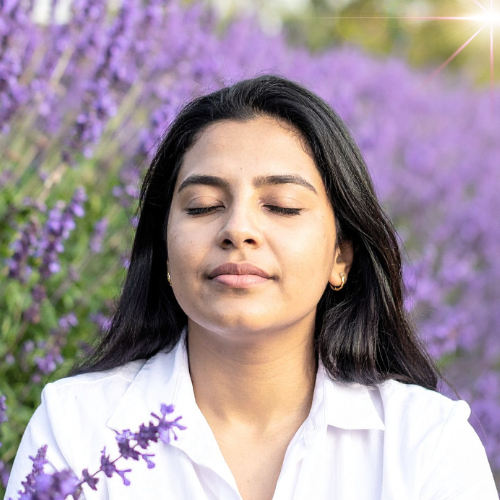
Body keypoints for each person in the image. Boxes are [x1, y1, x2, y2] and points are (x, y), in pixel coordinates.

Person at [5, 75, 498, 500]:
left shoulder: (427, 444)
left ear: (340, 256)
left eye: (281, 205)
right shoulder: (75, 427)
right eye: (201, 205)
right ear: (166, 251)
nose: (237, 229)